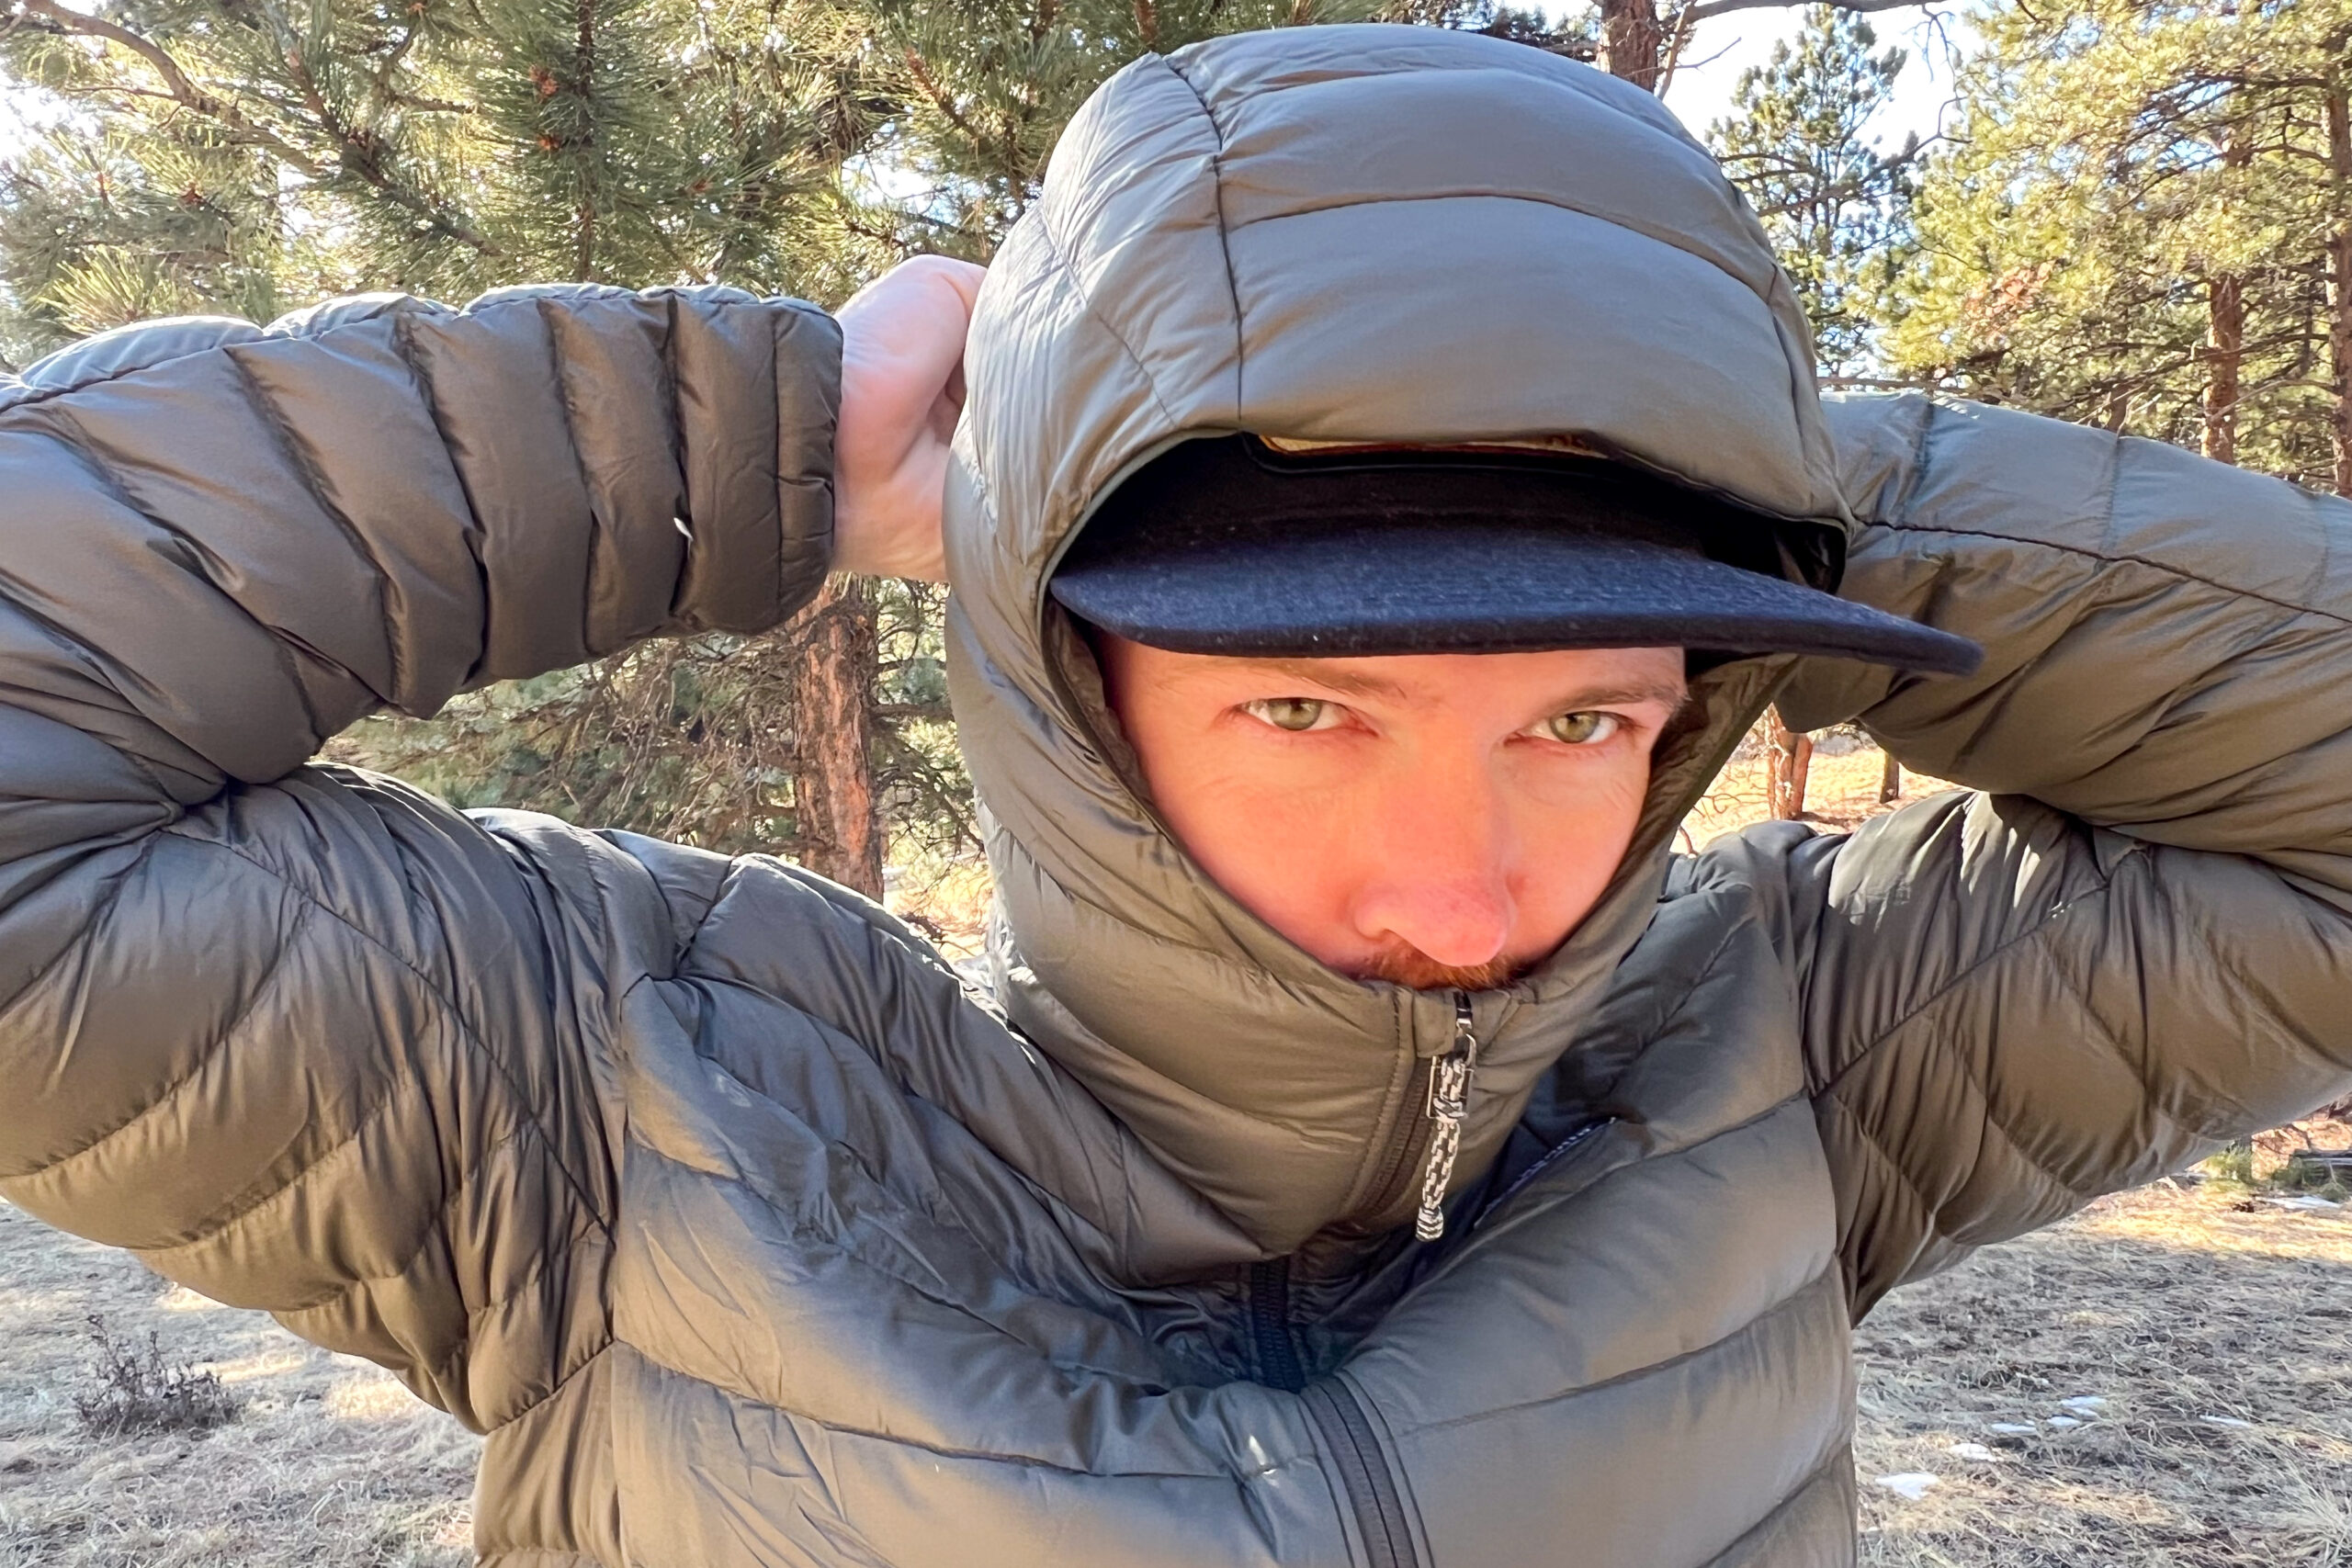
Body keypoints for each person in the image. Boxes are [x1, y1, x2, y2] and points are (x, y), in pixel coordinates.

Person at [1, 21, 2346, 1568]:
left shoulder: (1789, 1067)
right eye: (1305, 710)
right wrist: (751, 446)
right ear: (1056, 667)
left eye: (1584, 714)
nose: (1465, 889)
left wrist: (1783, 484)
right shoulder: (608, 1098)